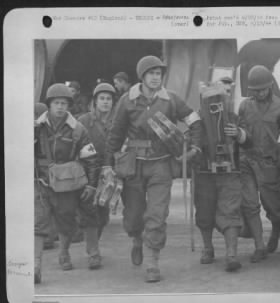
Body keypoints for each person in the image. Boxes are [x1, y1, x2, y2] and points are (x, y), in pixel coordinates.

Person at [102, 55, 202, 282]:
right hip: (133, 166)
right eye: (152, 74)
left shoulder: (171, 100)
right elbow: (115, 135)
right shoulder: (127, 101)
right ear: (142, 76)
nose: (156, 78)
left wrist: (194, 145)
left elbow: (194, 120)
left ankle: (152, 262)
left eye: (159, 74)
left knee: (157, 215)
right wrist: (108, 164)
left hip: (161, 165)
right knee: (134, 217)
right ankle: (137, 239)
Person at [34, 83, 100, 284]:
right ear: (49, 104)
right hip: (41, 181)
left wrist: (91, 185)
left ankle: (63, 252)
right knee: (39, 222)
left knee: (66, 219)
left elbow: (91, 159)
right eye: (56, 103)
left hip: (67, 184)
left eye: (64, 103)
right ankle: (35, 266)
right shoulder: (36, 127)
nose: (60, 107)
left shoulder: (78, 130)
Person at [238, 65, 280, 262]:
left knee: (275, 207)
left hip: (269, 162)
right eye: (255, 90)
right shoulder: (244, 106)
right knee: (250, 204)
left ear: (270, 86)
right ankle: (259, 246)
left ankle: (275, 233)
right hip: (246, 161)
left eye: (263, 89)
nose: (260, 93)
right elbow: (240, 133)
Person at [193, 82, 251, 272]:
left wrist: (239, 134)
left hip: (230, 174)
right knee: (204, 211)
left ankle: (231, 254)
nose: (214, 104)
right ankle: (207, 248)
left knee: (230, 211)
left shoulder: (233, 117)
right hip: (204, 174)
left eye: (217, 99)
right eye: (209, 100)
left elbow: (249, 139)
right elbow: (188, 140)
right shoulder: (196, 120)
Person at [78, 83, 117, 239]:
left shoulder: (118, 122)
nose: (105, 102)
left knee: (102, 211)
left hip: (109, 172)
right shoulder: (83, 120)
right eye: (102, 98)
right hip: (88, 171)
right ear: (95, 101)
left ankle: (94, 244)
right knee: (88, 209)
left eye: (108, 98)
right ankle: (92, 248)